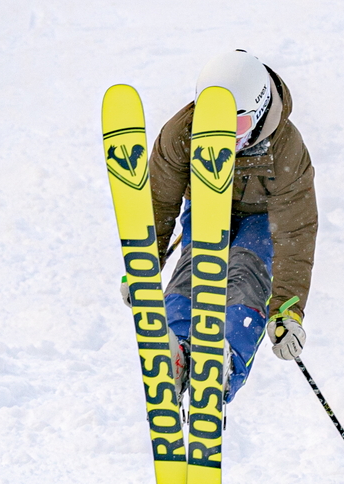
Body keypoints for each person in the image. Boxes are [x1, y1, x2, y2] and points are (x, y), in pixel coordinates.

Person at [125, 50, 318, 402]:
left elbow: (296, 233)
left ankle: (224, 361)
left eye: (238, 127)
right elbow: (159, 204)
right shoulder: (180, 135)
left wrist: (286, 311)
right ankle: (176, 352)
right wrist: (142, 268)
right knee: (197, 263)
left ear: (258, 113)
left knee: (247, 267)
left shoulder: (286, 149)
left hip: (263, 217)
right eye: (214, 127)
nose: (227, 138)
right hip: (204, 205)